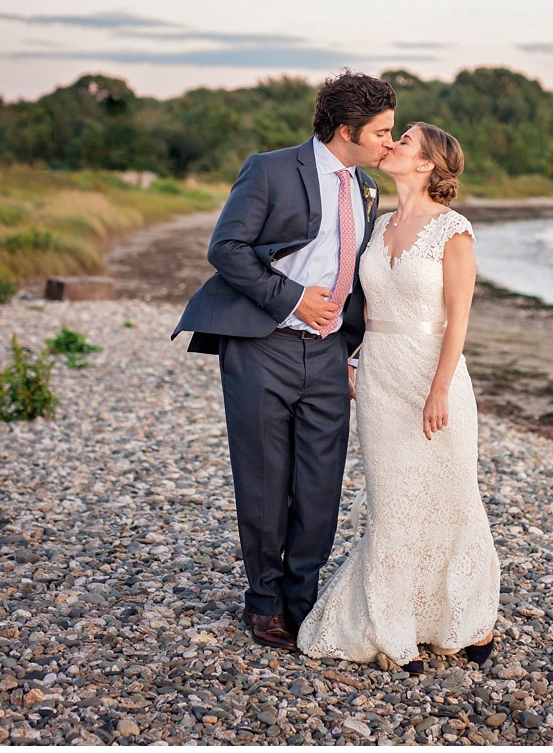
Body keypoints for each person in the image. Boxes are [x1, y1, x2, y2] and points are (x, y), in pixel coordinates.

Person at [171, 70, 395, 651]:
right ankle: (265, 603)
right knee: (266, 479)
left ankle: (305, 598)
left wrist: (358, 345)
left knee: (321, 483)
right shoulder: (270, 169)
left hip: (327, 354)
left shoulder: (367, 186)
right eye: (382, 132)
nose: (389, 144)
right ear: (347, 129)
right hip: (261, 346)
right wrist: (292, 297)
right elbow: (226, 248)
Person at [296, 122, 500, 672]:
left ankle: (468, 621)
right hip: (381, 376)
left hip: (435, 379)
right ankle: (394, 627)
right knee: (393, 501)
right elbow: (365, 308)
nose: (391, 146)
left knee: (451, 496)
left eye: (403, 141)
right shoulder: (380, 222)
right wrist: (354, 360)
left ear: (428, 164)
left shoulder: (453, 231)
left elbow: (459, 320)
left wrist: (439, 390)